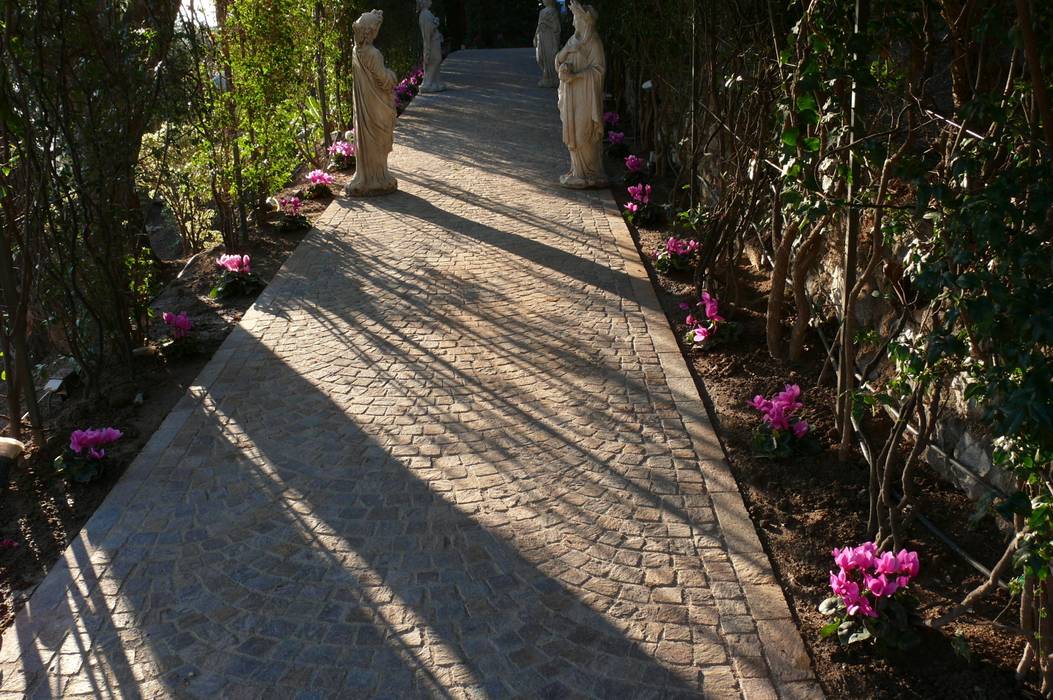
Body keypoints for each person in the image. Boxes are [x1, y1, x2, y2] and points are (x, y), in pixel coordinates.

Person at [345, 10, 398, 197]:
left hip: (364, 105)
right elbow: (383, 80)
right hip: (375, 105)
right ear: (370, 31)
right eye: (376, 28)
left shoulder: (356, 51)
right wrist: (392, 75)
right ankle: (378, 178)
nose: (377, 31)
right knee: (377, 136)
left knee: (368, 139)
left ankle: (367, 176)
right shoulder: (374, 54)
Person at [555, 1, 606, 188]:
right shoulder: (573, 40)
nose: (573, 23)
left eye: (576, 19)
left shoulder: (594, 43)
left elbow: (599, 71)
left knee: (583, 132)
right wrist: (564, 63)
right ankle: (577, 171)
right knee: (573, 132)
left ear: (585, 21)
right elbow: (559, 59)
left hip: (586, 97)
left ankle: (589, 173)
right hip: (571, 96)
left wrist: (576, 77)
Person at [418, 0, 447, 93]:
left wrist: (435, 22)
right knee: (435, 59)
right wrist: (436, 23)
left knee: (435, 61)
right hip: (432, 41)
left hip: (434, 40)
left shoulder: (427, 13)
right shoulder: (425, 14)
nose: (430, 1)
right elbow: (427, 31)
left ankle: (436, 83)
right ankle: (428, 83)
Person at [534, 0, 561, 88]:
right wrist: (535, 36)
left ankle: (552, 78)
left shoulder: (553, 12)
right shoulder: (542, 12)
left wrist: (545, 23)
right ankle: (546, 76)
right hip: (541, 37)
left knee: (550, 57)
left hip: (549, 38)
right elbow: (539, 25)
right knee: (540, 57)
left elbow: (556, 27)